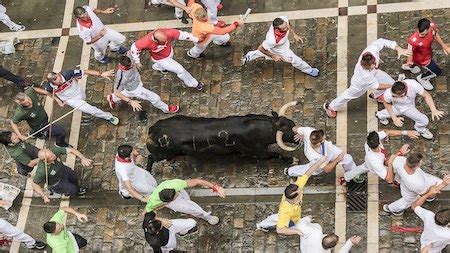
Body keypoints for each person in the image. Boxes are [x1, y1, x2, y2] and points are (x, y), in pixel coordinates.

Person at [323, 38, 411, 118]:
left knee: (390, 82)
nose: (373, 66)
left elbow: (382, 41)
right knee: (350, 95)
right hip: (360, 83)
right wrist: (391, 87)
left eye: (373, 64)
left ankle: (377, 95)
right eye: (370, 67)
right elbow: (376, 86)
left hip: (375, 73)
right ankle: (332, 106)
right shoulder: (365, 74)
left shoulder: (372, 49)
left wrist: (398, 48)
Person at [256, 156, 327, 235]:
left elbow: (307, 173)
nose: (301, 189)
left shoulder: (297, 187)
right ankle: (262, 226)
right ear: (295, 198)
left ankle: (263, 225)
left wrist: (319, 162)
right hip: (290, 218)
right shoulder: (285, 210)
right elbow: (280, 230)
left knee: (275, 218)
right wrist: (296, 231)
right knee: (276, 219)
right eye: (299, 192)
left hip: (294, 215)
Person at [241, 17, 319, 77]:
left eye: (286, 25)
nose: (287, 28)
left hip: (281, 45)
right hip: (280, 50)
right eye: (284, 28)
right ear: (277, 29)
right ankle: (309, 70)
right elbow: (261, 48)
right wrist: (274, 55)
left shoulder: (283, 19)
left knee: (261, 53)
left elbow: (288, 24)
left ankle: (249, 56)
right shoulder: (272, 40)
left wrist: (294, 34)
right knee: (296, 60)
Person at [130, 29, 204, 90]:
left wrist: (196, 39)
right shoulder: (145, 42)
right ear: (156, 40)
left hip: (169, 53)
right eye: (163, 41)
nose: (166, 42)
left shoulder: (168, 33)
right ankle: (194, 84)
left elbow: (183, 35)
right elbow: (134, 48)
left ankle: (159, 67)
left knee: (163, 64)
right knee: (180, 70)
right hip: (161, 59)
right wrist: (137, 61)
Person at [43, 69, 120, 125]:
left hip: (78, 91)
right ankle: (109, 117)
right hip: (71, 100)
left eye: (60, 78)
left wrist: (101, 73)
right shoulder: (49, 87)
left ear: (58, 74)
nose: (61, 82)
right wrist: (57, 100)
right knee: (91, 110)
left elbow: (85, 71)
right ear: (52, 83)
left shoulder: (68, 73)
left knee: (84, 100)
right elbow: (47, 93)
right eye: (58, 82)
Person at [106, 55, 179, 113]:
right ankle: (166, 109)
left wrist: (137, 62)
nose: (133, 65)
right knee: (155, 98)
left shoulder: (130, 57)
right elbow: (116, 91)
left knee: (128, 92)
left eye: (132, 63)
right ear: (123, 67)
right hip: (135, 89)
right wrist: (130, 101)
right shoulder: (121, 77)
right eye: (130, 66)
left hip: (135, 83)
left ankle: (113, 98)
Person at [342, 129, 419, 184]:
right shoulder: (375, 161)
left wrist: (406, 132)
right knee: (396, 168)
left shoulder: (370, 141)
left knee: (360, 169)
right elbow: (389, 179)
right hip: (375, 166)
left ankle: (345, 177)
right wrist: (398, 154)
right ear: (379, 142)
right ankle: (397, 182)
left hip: (374, 161)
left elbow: (387, 132)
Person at [375, 79, 444, 139]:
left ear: (404, 94)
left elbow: (426, 95)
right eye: (393, 96)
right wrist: (394, 118)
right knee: (424, 120)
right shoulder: (388, 93)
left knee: (396, 110)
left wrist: (433, 109)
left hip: (406, 104)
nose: (393, 97)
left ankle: (380, 115)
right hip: (406, 108)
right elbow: (386, 102)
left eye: (396, 96)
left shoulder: (413, 84)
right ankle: (420, 129)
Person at [284, 127, 358, 182]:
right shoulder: (317, 157)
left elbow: (294, 128)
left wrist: (300, 134)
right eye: (323, 138)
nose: (325, 137)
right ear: (320, 142)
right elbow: (327, 169)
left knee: (348, 159)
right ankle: (290, 171)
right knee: (308, 170)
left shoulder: (309, 131)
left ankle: (353, 173)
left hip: (330, 150)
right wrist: (337, 159)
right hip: (320, 161)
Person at [144, 178, 225, 225]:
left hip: (177, 194)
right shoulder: (153, 201)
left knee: (189, 202)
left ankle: (198, 211)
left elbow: (197, 181)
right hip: (174, 204)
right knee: (192, 209)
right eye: (175, 194)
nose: (176, 194)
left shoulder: (175, 185)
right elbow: (145, 214)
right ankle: (207, 217)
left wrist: (216, 188)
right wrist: (161, 220)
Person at [402, 19, 449, 90]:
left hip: (428, 52)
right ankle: (422, 78)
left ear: (428, 29)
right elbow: (409, 52)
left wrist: (444, 46)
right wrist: (409, 61)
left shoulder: (432, 26)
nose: (420, 35)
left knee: (413, 64)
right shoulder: (412, 40)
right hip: (422, 60)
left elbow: (435, 34)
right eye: (419, 32)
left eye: (423, 34)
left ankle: (410, 67)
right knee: (437, 72)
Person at [411, 183, 450, 253]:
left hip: (426, 243)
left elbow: (414, 206)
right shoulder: (447, 234)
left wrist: (428, 194)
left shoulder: (429, 216)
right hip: (434, 250)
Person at [296, 216, 361, 252]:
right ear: (332, 247)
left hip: (304, 244)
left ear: (326, 235)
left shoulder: (315, 233)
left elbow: (299, 226)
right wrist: (350, 242)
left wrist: (307, 218)